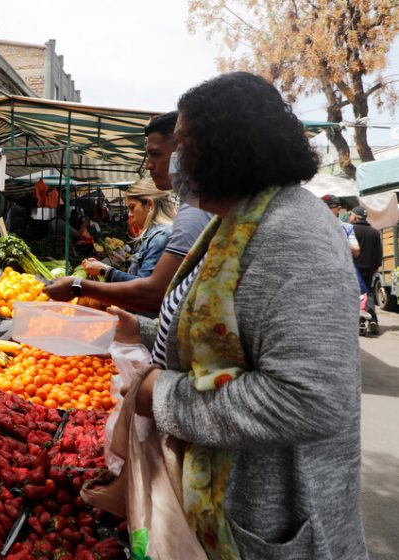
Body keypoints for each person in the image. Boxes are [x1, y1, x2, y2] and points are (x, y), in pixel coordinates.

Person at [113, 72, 365, 559]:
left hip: (271, 522)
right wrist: (140, 329)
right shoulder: (237, 222)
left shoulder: (292, 233)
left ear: (225, 144)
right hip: (220, 504)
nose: (175, 158)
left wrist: (162, 396)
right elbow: (221, 336)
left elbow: (307, 398)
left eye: (183, 141)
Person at [44, 111, 213, 312]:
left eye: (156, 154)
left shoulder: (192, 212)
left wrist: (80, 285)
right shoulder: (194, 205)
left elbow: (154, 294)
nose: (148, 165)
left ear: (184, 152)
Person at [83, 177, 175, 283]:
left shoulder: (161, 237)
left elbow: (142, 288)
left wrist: (105, 270)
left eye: (132, 207)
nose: (130, 214)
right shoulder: (158, 234)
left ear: (149, 205)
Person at [349, 205, 383, 333]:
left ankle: (360, 321)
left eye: (351, 214)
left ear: (356, 216)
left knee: (356, 295)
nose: (350, 217)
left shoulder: (351, 230)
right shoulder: (375, 232)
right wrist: (376, 267)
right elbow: (379, 253)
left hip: (354, 268)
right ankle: (373, 320)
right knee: (368, 294)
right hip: (369, 269)